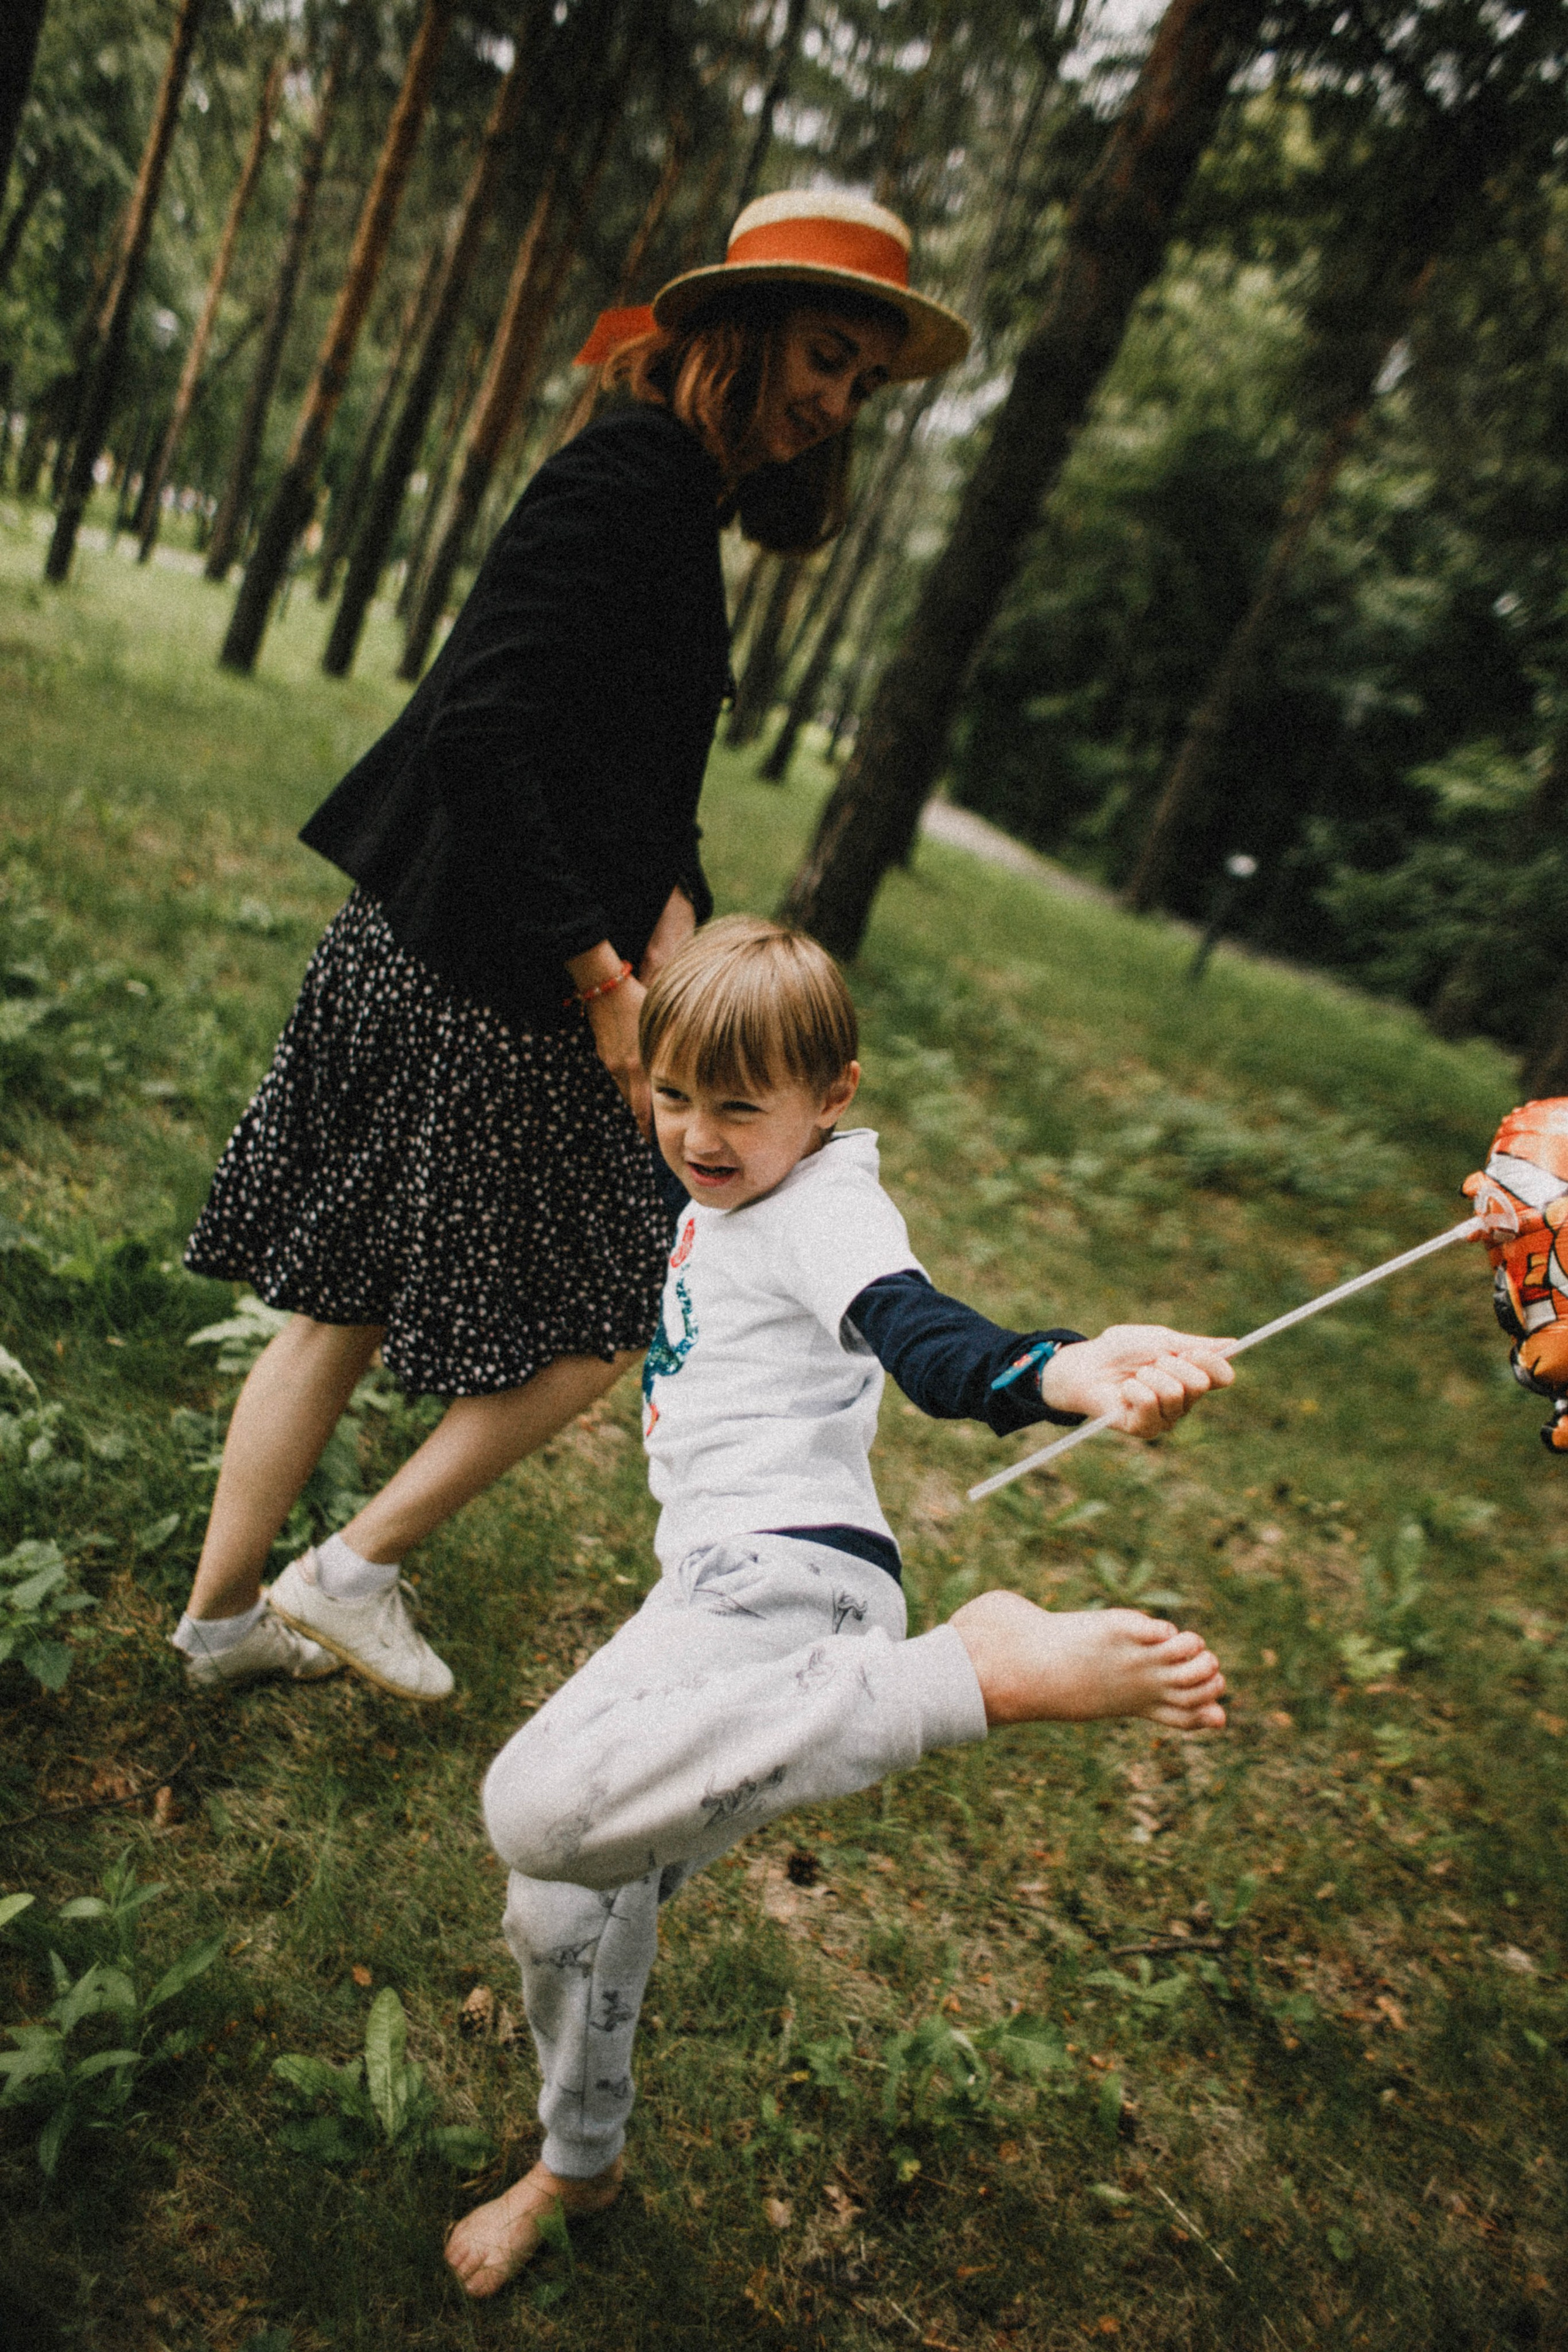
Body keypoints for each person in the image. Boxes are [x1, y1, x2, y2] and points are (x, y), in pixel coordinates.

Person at [168, 192, 972, 1700]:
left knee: (343, 1303)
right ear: (740, 333)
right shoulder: (628, 481)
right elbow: (483, 724)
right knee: (613, 1309)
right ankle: (349, 1575)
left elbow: (622, 765)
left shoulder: (670, 495)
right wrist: (599, 977)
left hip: (443, 947)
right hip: (495, 974)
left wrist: (671, 908)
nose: (834, 400)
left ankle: (222, 1628)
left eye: (862, 380)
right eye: (823, 355)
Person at [445, 918, 1235, 2297]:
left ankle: (968, 1671)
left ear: (831, 1099)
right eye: (674, 1096)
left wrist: (1057, 1372)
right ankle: (582, 2161)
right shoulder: (736, 1187)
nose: (697, 1135)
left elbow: (919, 1332)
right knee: (560, 1900)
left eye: (738, 1109)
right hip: (719, 1585)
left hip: (793, 1587)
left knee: (532, 1808)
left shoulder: (823, 1209)